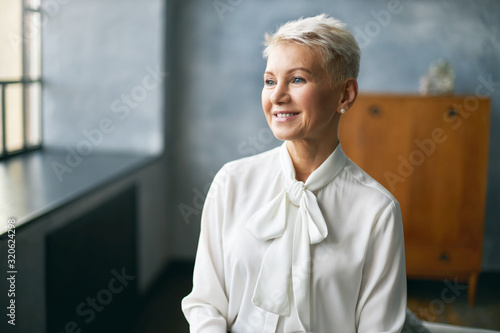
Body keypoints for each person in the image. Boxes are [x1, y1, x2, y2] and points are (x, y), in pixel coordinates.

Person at [182, 14, 407, 333]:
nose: (276, 96)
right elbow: (206, 303)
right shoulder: (231, 182)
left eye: (297, 79)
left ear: (345, 95)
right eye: (270, 81)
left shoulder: (378, 211)